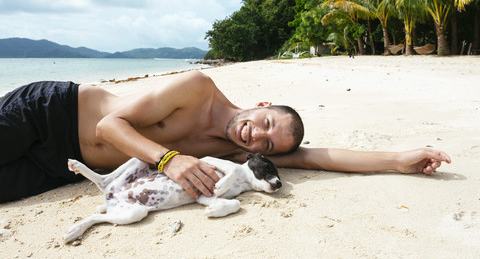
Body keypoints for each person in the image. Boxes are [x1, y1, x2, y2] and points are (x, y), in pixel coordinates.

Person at [0, 71, 451, 203]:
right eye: (267, 123)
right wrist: (170, 159)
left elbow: (319, 158)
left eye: (268, 146)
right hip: (48, 114)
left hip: (60, 167)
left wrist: (398, 160)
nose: (258, 138)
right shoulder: (197, 88)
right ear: (261, 104)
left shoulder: (234, 150)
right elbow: (109, 127)